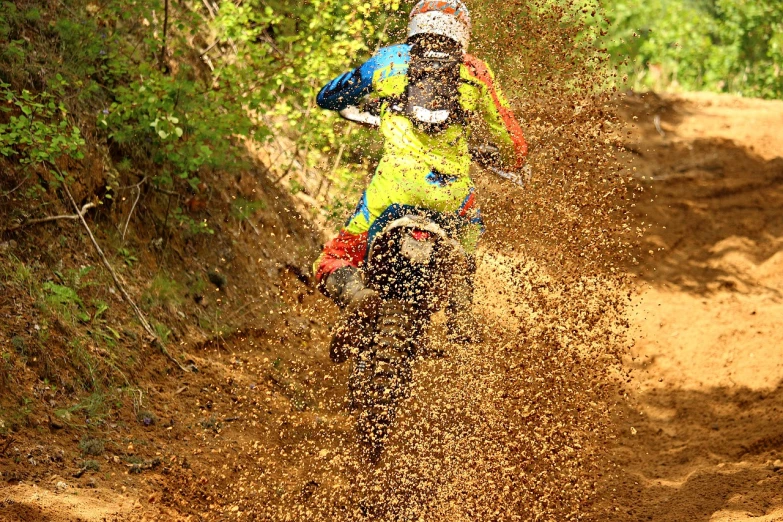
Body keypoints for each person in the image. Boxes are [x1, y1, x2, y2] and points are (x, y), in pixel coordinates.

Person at [314, 0, 528, 360]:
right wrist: (514, 161)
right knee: (470, 234)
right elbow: (511, 137)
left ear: (415, 23)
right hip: (450, 195)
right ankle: (461, 312)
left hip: (392, 188)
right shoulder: (475, 71)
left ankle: (356, 295)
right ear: (463, 31)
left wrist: (354, 105)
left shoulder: (388, 60)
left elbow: (330, 96)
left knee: (332, 259)